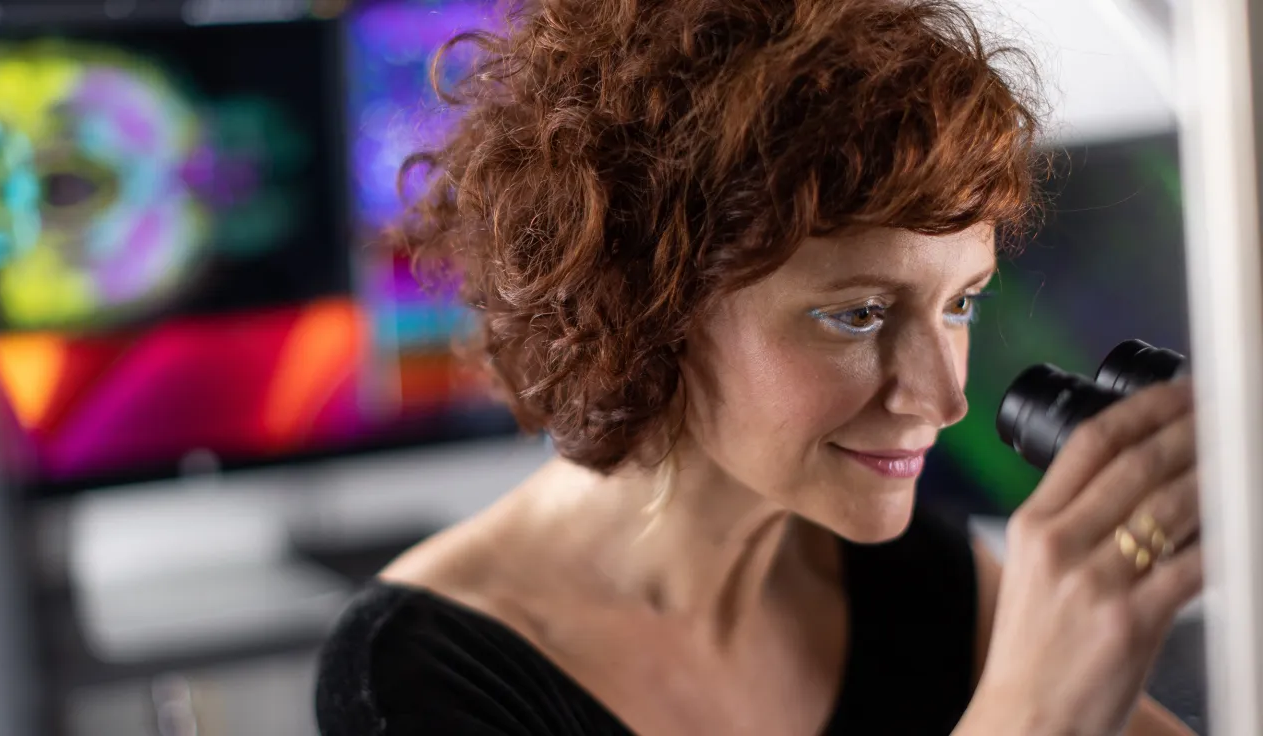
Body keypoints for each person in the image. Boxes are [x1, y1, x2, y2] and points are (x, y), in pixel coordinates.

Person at [314, 0, 1202, 733]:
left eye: (960, 303)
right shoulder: (418, 679)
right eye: (857, 315)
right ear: (645, 307)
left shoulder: (912, 573)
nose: (942, 398)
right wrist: (1030, 713)